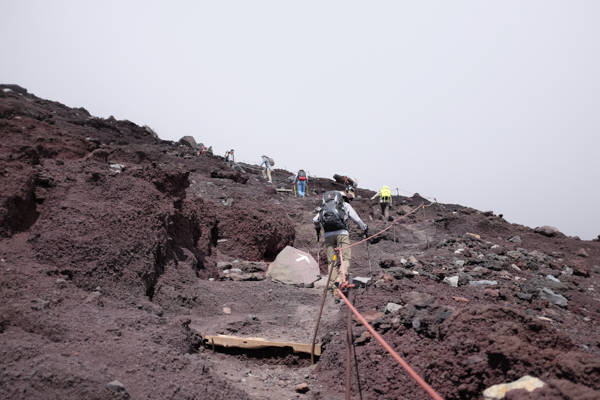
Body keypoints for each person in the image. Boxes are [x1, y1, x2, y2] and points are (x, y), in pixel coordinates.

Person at [313, 191, 368, 295]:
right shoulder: (345, 205)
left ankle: (335, 290)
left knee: (332, 262)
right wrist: (364, 227)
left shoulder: (324, 207)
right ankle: (340, 278)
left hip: (328, 236)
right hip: (342, 234)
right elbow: (355, 218)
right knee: (346, 258)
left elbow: (315, 220)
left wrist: (318, 229)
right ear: (342, 198)